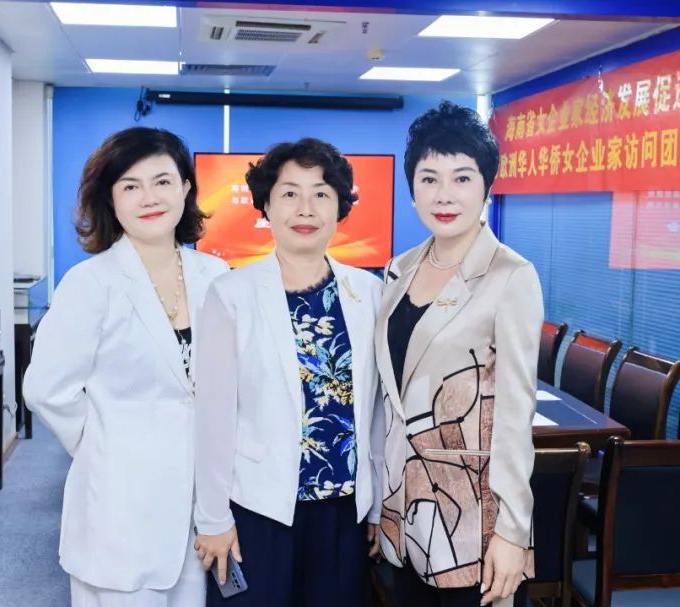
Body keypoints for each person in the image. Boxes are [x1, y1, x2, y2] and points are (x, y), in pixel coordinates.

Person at [23, 127, 229, 607]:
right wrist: (103, 444)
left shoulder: (215, 276)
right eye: (130, 186)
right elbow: (45, 389)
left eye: (162, 182)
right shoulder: (90, 284)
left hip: (196, 505)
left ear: (185, 189)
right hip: (120, 505)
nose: (149, 197)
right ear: (110, 200)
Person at [192, 138, 386, 606]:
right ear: (266, 206)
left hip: (344, 512)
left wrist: (378, 504)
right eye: (289, 193)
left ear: (340, 207)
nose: (306, 208)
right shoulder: (231, 295)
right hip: (259, 510)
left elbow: (377, 411)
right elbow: (213, 416)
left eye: (321, 194)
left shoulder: (368, 292)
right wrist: (212, 518)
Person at [374, 101, 542, 607]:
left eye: (462, 178)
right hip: (405, 512)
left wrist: (513, 531)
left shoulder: (510, 276)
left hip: (474, 522)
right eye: (429, 179)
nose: (444, 195)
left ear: (486, 186)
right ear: (412, 190)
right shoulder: (398, 270)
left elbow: (514, 414)